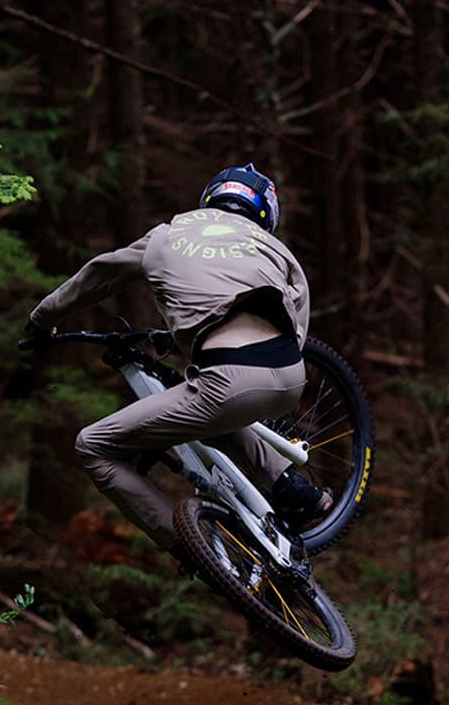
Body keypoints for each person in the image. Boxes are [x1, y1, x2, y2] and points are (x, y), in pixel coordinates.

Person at [24, 163, 332, 566]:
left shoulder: (169, 233)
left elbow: (98, 274)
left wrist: (42, 319)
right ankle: (295, 490)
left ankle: (188, 547)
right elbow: (296, 326)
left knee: (93, 446)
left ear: (210, 198)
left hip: (226, 383)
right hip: (291, 377)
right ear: (265, 213)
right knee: (208, 412)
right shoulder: (277, 249)